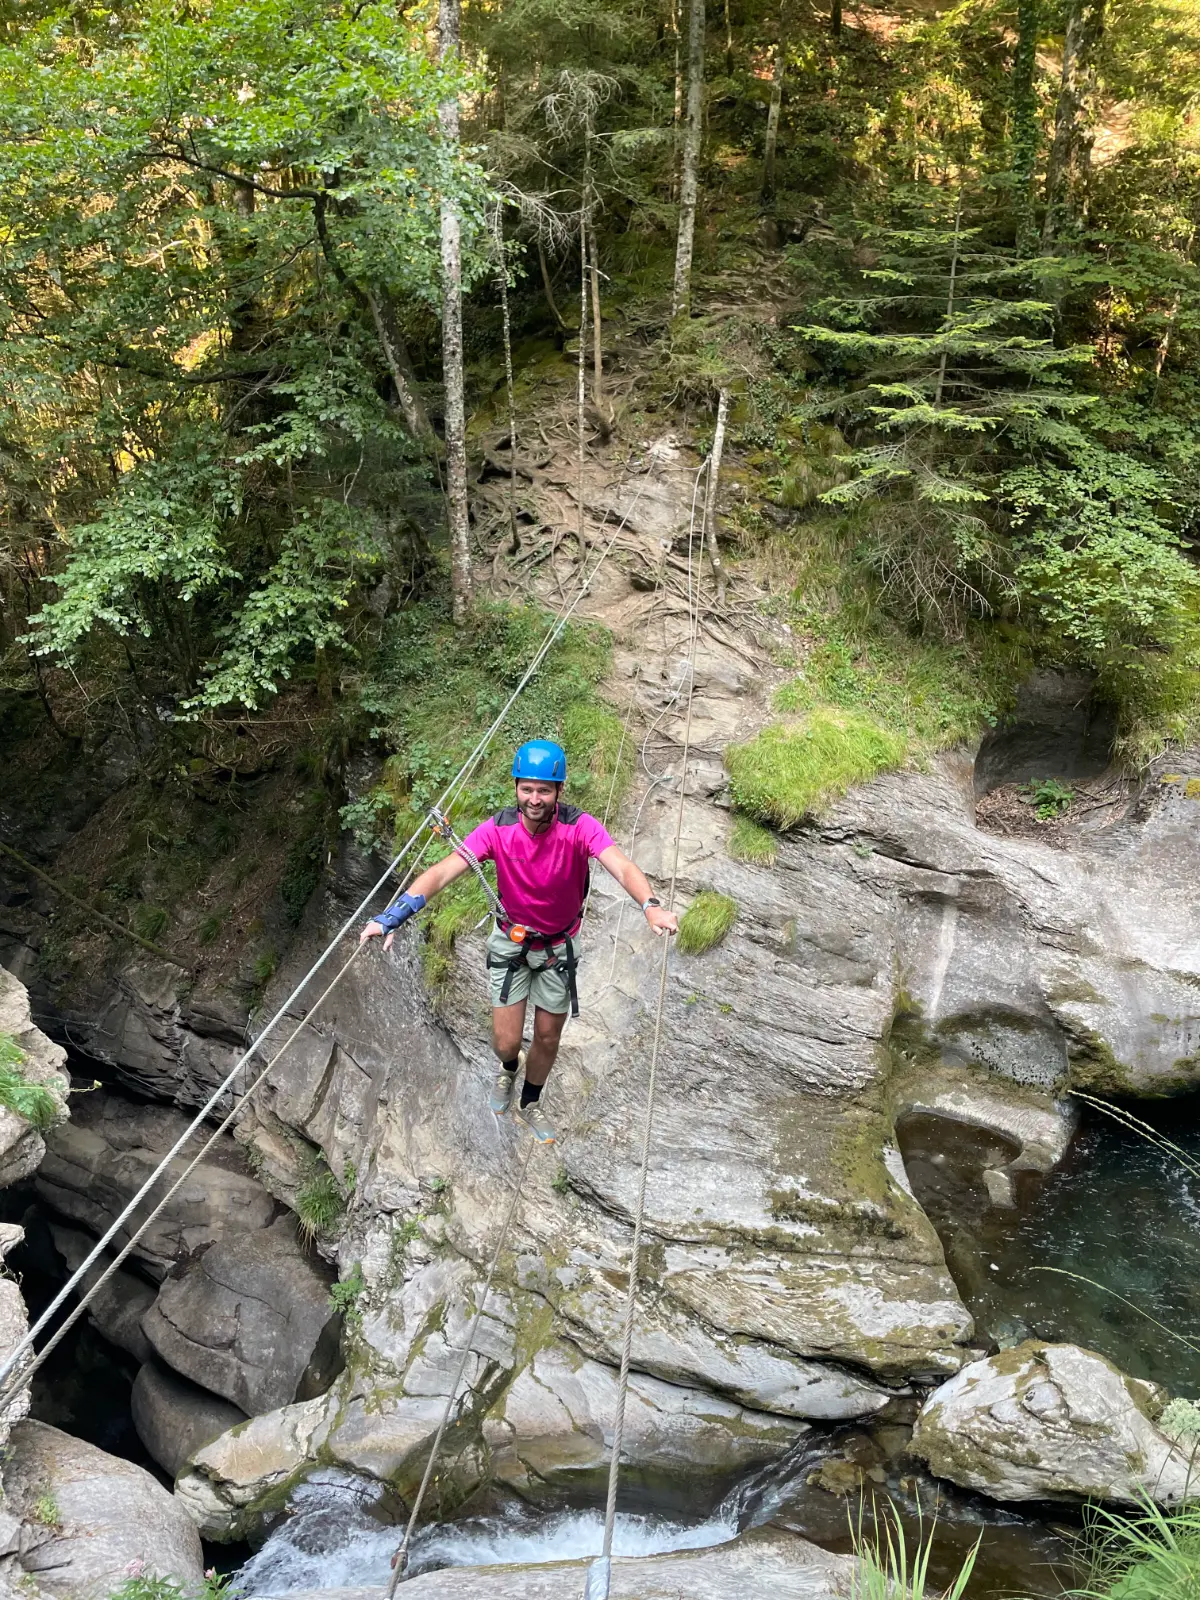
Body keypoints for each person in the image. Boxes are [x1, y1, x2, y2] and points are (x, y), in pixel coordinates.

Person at [360, 738, 678, 1144]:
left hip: (558, 947)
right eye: (526, 789)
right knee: (506, 1041)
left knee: (548, 1035)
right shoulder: (498, 830)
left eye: (544, 790)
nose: (534, 799)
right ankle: (509, 1067)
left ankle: (530, 1101)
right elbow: (441, 873)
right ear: (516, 788)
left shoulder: (580, 827)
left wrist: (649, 905)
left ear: (559, 791)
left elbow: (621, 865)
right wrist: (394, 916)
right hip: (513, 944)